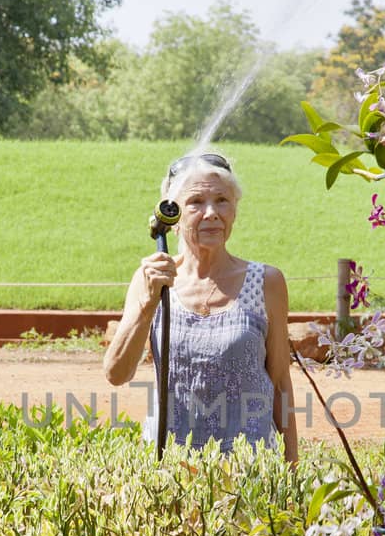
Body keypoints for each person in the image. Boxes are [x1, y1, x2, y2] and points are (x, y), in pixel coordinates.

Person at [103, 150, 298, 462]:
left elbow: (279, 382)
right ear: (173, 216)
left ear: (234, 209)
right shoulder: (151, 279)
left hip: (248, 469)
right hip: (172, 468)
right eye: (195, 202)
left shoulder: (267, 282)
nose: (211, 213)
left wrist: (291, 469)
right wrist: (147, 303)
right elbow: (116, 373)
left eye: (222, 200)